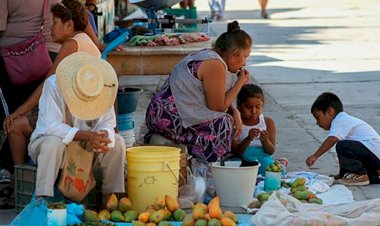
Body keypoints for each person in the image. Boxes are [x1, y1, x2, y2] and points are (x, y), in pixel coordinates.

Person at [0, 0, 103, 186]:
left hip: (71, 118)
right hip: (75, 115)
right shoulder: (85, 41)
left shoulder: (72, 44)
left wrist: (18, 112)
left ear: (69, 24)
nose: (49, 29)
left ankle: (22, 184)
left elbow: (46, 84)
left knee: (14, 125)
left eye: (54, 22)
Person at [144, 21, 252, 163]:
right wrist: (239, 83)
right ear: (234, 54)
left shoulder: (208, 55)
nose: (244, 63)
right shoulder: (215, 65)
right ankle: (210, 168)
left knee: (227, 116)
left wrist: (235, 111)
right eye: (245, 57)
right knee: (223, 123)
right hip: (168, 117)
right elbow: (218, 107)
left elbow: (215, 99)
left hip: (160, 113)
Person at [29, 51, 125, 201]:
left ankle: (111, 199)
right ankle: (42, 198)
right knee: (52, 144)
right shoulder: (53, 85)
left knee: (117, 142)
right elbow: (51, 126)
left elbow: (108, 122)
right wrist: (87, 135)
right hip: (54, 145)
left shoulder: (100, 88)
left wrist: (104, 135)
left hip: (86, 148)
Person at [306, 92, 380, 186]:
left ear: (330, 111)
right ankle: (368, 174)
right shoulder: (344, 121)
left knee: (342, 145)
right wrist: (341, 174)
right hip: (374, 156)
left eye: (318, 117)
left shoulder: (340, 120)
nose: (317, 123)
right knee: (345, 147)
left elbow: (332, 139)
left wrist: (315, 156)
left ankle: (359, 175)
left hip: (375, 154)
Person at [231, 84, 282, 176]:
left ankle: (281, 163)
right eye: (248, 107)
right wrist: (248, 138)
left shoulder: (268, 123)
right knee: (236, 170)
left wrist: (265, 140)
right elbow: (236, 151)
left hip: (262, 157)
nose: (253, 111)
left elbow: (270, 151)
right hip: (242, 158)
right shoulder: (235, 123)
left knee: (271, 171)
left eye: (258, 107)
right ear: (239, 105)